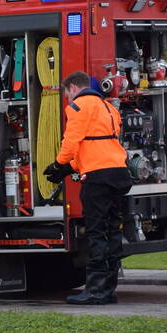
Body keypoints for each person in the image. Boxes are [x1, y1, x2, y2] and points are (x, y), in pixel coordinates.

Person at [43, 70, 132, 304]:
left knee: (96, 232)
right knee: (113, 231)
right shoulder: (108, 108)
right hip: (118, 174)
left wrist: (58, 164)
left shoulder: (78, 107)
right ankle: (108, 289)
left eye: (66, 94)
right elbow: (97, 145)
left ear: (72, 88)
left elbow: (71, 141)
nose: (67, 99)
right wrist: (69, 168)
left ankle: (94, 290)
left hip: (97, 179)